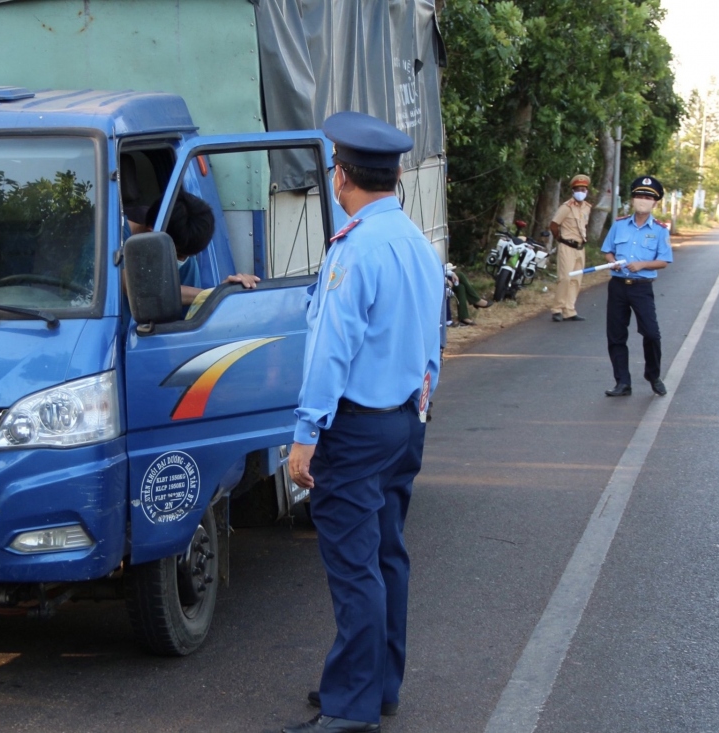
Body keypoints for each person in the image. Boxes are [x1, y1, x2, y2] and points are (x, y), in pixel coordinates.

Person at [284, 111, 444, 733]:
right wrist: (421, 409)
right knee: (386, 558)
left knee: (356, 569)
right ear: (397, 175)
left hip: (353, 428)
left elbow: (331, 348)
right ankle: (377, 687)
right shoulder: (416, 243)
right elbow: (434, 340)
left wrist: (306, 435)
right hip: (404, 421)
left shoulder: (354, 249)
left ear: (341, 177)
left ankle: (350, 710)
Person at [602, 175, 674, 397]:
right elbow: (607, 250)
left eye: (647, 197)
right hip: (618, 286)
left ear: (655, 203)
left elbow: (664, 260)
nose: (642, 200)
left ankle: (653, 375)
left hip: (642, 287)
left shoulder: (660, 230)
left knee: (651, 334)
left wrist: (643, 264)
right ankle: (622, 382)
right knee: (616, 335)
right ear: (633, 199)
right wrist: (611, 261)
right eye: (639, 196)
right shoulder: (619, 225)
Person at [127, 190, 259, 307]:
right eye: (178, 254)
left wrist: (225, 293)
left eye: (188, 256)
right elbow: (132, 286)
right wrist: (210, 295)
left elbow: (190, 315)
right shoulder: (112, 235)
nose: (182, 261)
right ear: (152, 234)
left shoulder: (186, 263)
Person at [549, 173, 593, 322]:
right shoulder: (566, 207)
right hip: (567, 246)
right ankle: (557, 308)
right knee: (565, 278)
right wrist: (559, 238)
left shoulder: (587, 208)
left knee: (576, 280)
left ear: (586, 191)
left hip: (580, 247)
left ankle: (569, 310)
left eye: (583, 189)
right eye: (578, 189)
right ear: (573, 191)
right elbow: (554, 224)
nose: (581, 191)